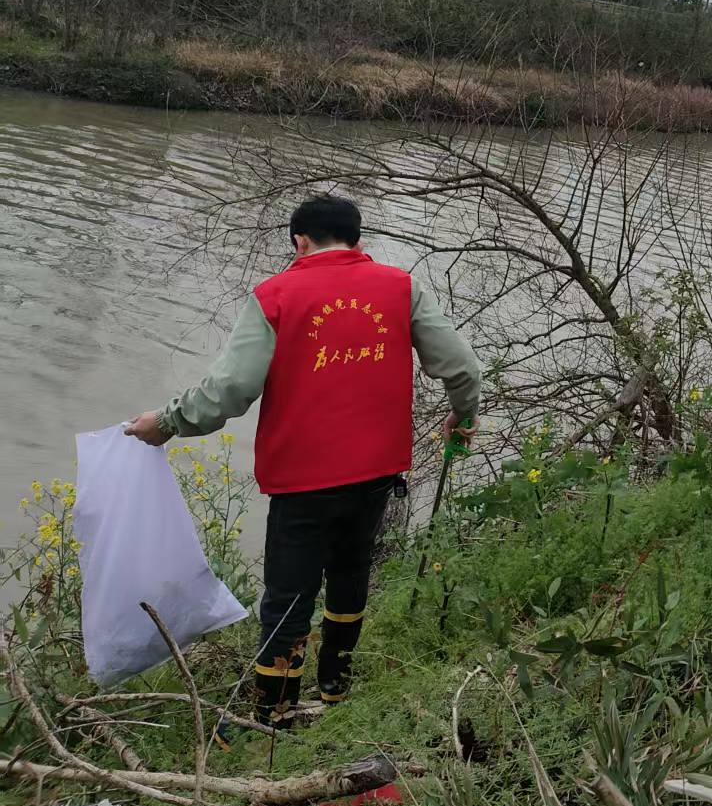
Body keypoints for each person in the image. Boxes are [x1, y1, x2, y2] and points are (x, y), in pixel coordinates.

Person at [124, 195, 482, 730]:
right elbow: (462, 367)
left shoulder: (276, 296)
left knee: (289, 592)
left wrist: (169, 422)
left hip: (304, 476)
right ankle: (336, 689)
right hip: (375, 471)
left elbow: (231, 389)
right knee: (351, 571)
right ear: (358, 242)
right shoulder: (401, 288)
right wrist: (463, 414)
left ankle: (273, 715)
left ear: (300, 242)